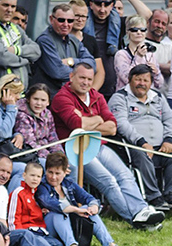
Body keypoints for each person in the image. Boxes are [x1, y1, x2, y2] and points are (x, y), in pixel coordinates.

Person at [51, 62, 165, 228]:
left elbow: (112, 127)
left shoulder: (97, 96)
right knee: (109, 181)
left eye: (89, 79)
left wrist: (87, 122)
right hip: (77, 150)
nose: (86, 82)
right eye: (82, 77)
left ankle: (142, 211)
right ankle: (135, 219)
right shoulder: (62, 97)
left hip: (98, 145)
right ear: (71, 77)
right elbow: (76, 124)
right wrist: (97, 119)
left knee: (125, 175)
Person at [109, 64, 172, 211]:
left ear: (151, 82)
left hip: (161, 146)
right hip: (135, 146)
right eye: (138, 79)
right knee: (141, 153)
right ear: (129, 80)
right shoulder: (120, 97)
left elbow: (170, 119)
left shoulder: (158, 96)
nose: (142, 83)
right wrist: (142, 142)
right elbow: (121, 123)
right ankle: (154, 197)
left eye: (146, 80)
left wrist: (170, 140)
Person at [33, 153, 125, 246]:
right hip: (49, 227)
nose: (53, 177)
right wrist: (76, 210)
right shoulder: (42, 186)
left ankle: (109, 244)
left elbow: (88, 197)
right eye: (50, 172)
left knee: (88, 208)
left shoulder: (69, 184)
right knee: (58, 213)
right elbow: (50, 203)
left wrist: (94, 206)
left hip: (69, 226)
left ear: (65, 172)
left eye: (57, 173)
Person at [0, 0, 42, 96]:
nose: (9, 10)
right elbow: (3, 58)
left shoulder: (15, 28)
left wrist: (16, 50)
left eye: (13, 7)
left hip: (18, 95)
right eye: (5, 5)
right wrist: (26, 60)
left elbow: (36, 51)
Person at [5, 161, 69, 246]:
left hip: (38, 232)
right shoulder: (18, 193)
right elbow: (13, 219)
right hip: (22, 232)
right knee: (31, 238)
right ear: (24, 175)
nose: (35, 179)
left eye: (38, 176)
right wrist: (19, 235)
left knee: (58, 245)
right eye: (32, 175)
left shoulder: (35, 194)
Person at [33, 3, 95, 96]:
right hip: (48, 99)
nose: (66, 24)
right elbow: (58, 72)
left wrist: (72, 61)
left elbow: (92, 64)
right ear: (51, 19)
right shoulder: (45, 40)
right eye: (61, 20)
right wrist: (82, 73)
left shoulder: (74, 40)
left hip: (70, 96)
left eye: (70, 21)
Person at [14, 83, 63, 166]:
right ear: (29, 99)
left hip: (48, 154)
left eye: (43, 100)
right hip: (33, 155)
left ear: (48, 102)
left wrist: (59, 156)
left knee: (70, 166)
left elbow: (53, 138)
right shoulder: (22, 116)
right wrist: (51, 159)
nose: (39, 103)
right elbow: (30, 143)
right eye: (35, 99)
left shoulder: (47, 113)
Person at [114, 15, 164, 91]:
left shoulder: (150, 55)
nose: (139, 32)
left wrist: (156, 73)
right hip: (126, 97)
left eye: (142, 30)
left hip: (147, 97)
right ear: (128, 32)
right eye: (134, 30)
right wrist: (138, 57)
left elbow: (160, 84)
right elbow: (127, 79)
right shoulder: (121, 54)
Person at [69, 0, 108, 92]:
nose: (80, 19)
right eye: (77, 15)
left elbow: (100, 72)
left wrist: (90, 93)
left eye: (83, 16)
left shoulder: (91, 40)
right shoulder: (61, 38)